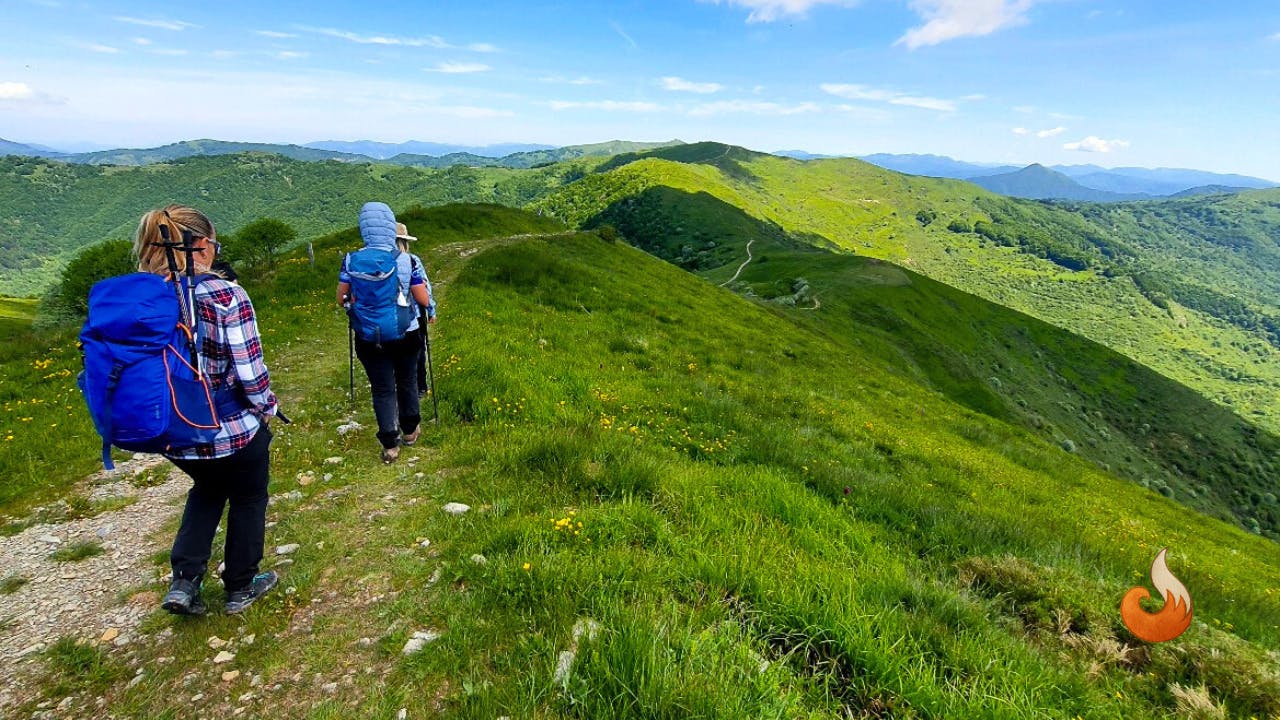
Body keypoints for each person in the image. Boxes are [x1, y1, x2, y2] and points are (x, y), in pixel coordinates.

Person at [132, 205, 281, 616]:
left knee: (208, 487)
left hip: (169, 430)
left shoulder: (140, 297)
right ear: (200, 244)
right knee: (249, 495)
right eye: (214, 244)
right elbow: (250, 373)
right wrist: (268, 408)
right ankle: (241, 586)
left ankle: (184, 582)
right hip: (228, 427)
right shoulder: (226, 294)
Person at [337, 203, 432, 463]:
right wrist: (426, 303)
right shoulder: (407, 260)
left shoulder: (351, 260)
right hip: (405, 332)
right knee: (407, 380)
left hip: (369, 335)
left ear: (364, 228)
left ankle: (390, 444)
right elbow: (422, 299)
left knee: (382, 388)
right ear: (391, 227)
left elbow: (341, 297)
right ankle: (410, 431)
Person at [393, 222, 437, 399]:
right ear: (404, 242)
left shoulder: (380, 261)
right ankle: (420, 386)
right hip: (414, 313)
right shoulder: (412, 260)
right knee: (418, 350)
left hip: (389, 315)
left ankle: (397, 384)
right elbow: (424, 288)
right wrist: (431, 309)